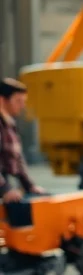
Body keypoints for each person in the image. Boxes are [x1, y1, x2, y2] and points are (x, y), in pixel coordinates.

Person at [0, 77, 45, 206]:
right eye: (18, 101)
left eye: (24, 101)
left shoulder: (11, 125)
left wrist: (30, 186)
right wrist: (5, 190)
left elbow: (18, 160)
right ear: (2, 100)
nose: (22, 106)